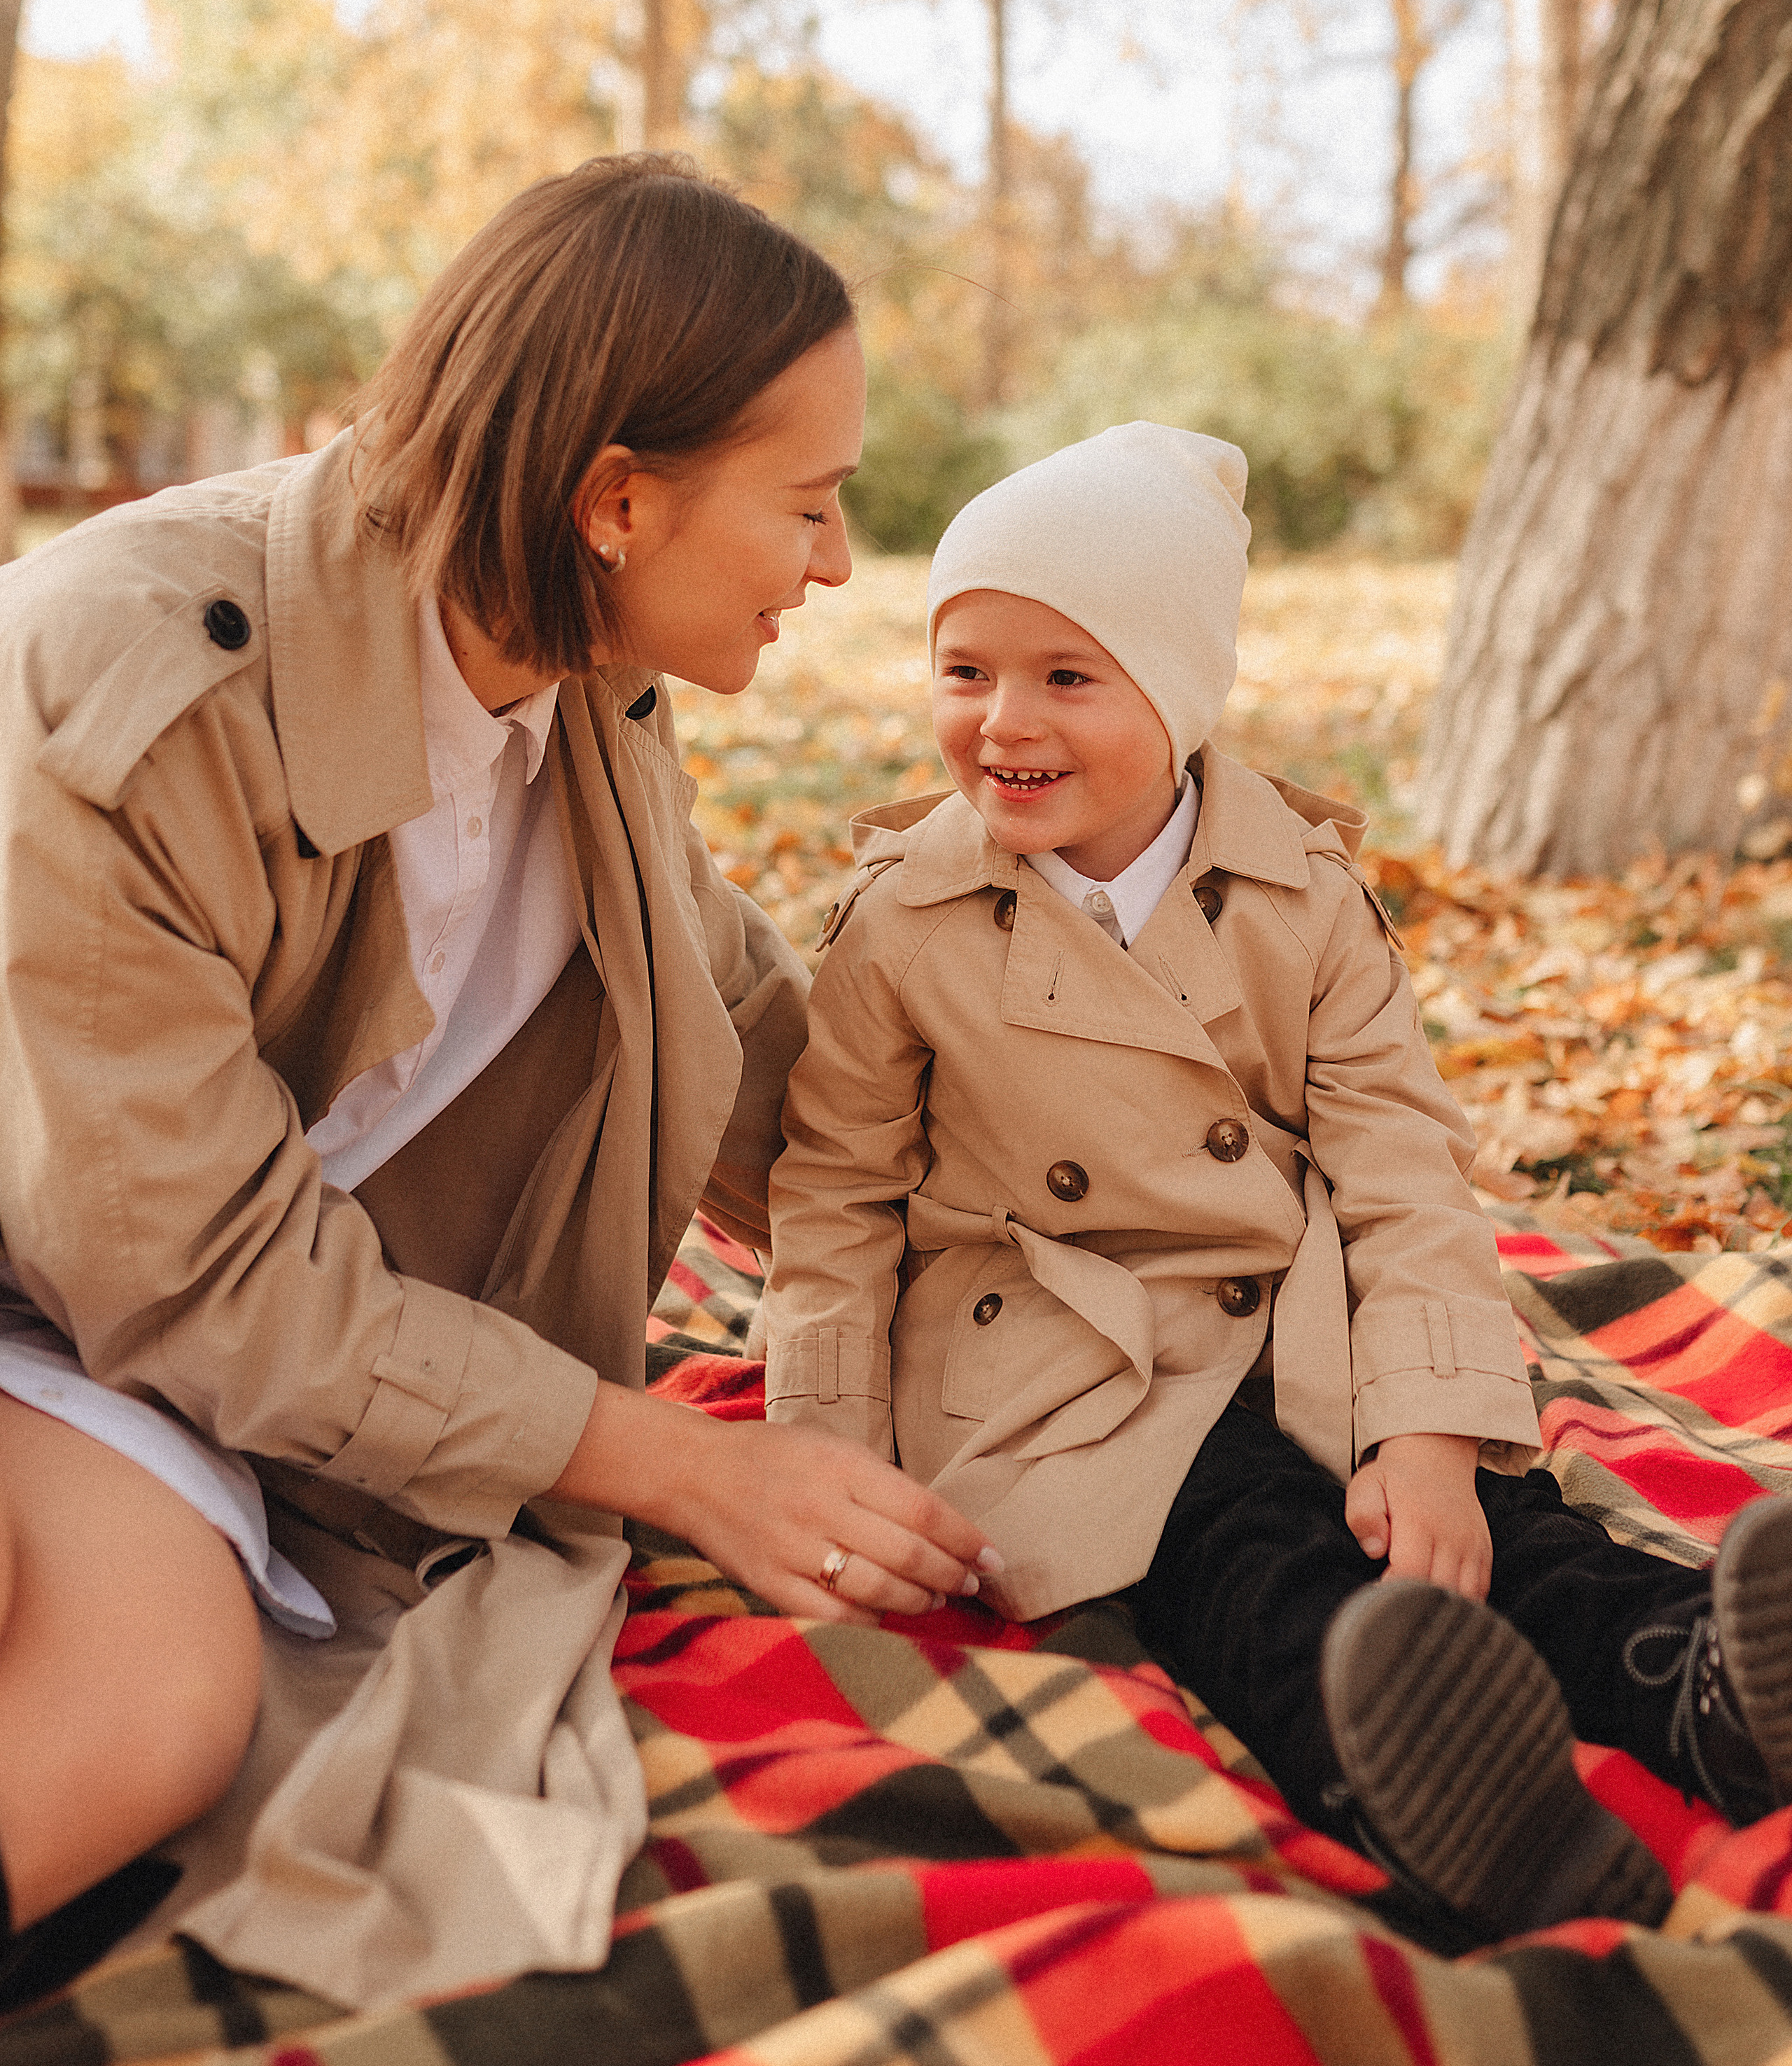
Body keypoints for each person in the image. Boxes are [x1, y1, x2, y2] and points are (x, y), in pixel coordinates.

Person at [0, 154, 995, 2004]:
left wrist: (1038, 1211)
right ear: (616, 500)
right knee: (149, 1713)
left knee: (161, 1703)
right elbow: (192, 1277)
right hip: (73, 1294)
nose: (839, 563)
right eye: (809, 503)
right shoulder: (127, 695)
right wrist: (679, 1466)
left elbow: (719, 1012)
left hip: (165, 1341)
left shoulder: (577, 674)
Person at [764, 421, 1792, 1948]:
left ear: (1179, 692)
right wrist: (824, 1454)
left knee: (1489, 1532)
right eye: (963, 669)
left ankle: (1698, 1684)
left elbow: (1402, 1170)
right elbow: (834, 1200)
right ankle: (1425, 1792)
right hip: (1055, 1348)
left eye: (1067, 675)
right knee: (1243, 1546)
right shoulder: (907, 919)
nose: (1001, 721)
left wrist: (1425, 1433)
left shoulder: (1300, 897)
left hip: (1281, 1302)